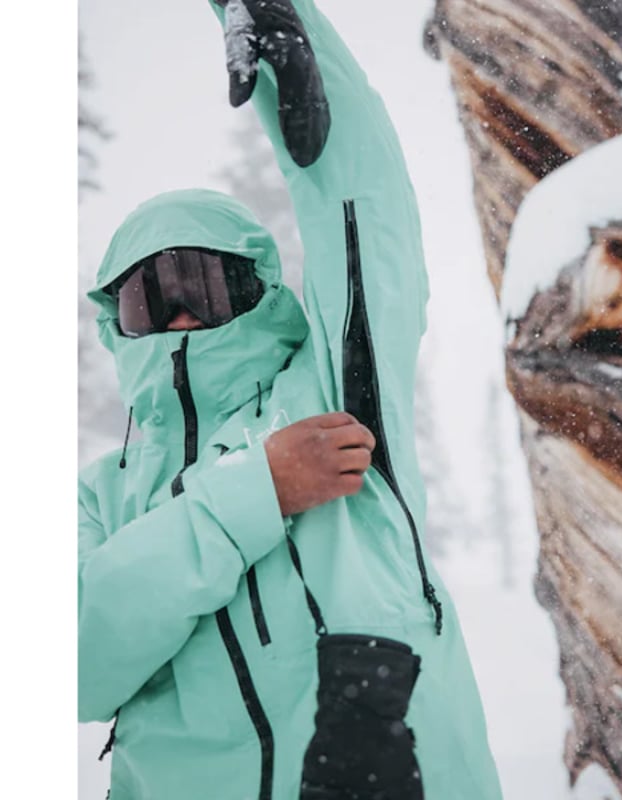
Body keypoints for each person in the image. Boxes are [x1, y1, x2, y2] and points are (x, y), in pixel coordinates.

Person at [78, 1, 503, 798]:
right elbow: (71, 665)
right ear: (116, 321)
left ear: (255, 289)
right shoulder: (98, 496)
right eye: (151, 296)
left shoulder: (331, 392)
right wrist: (259, 490)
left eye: (203, 284)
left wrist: (292, 30)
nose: (181, 317)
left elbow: (366, 218)